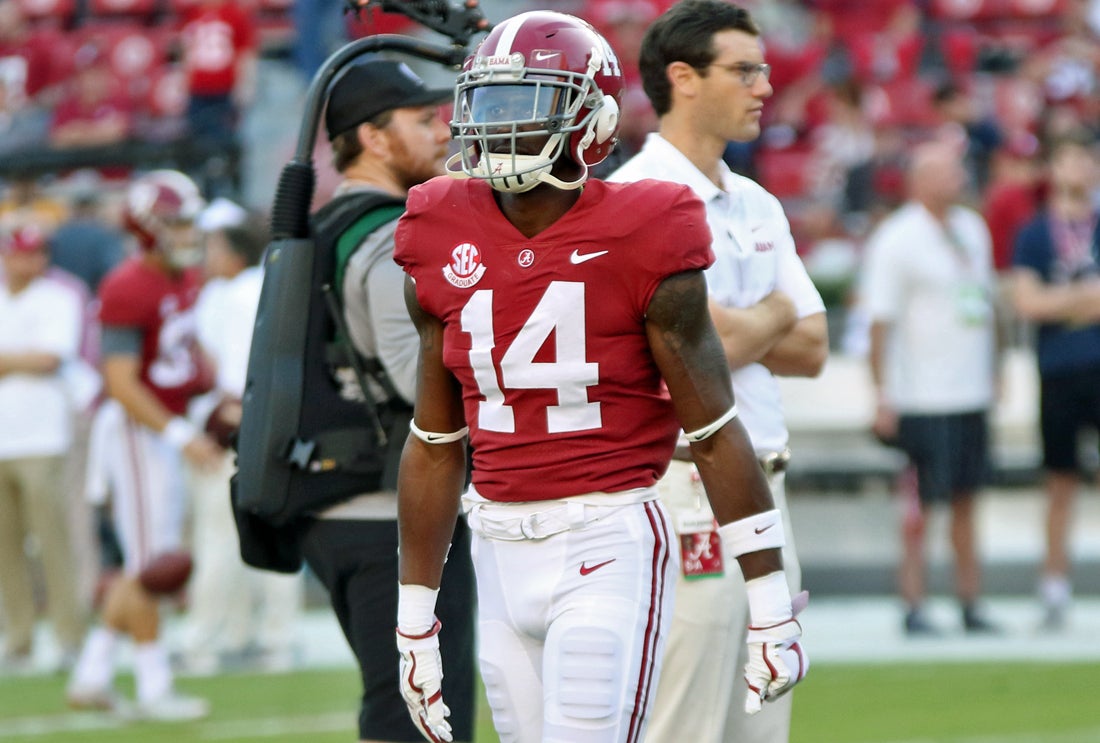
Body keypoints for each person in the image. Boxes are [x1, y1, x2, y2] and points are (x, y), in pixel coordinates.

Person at [391, 11, 808, 743]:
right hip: (493, 538)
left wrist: (770, 598)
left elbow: (712, 429)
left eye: (529, 103)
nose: (500, 126)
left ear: (592, 118)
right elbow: (433, 437)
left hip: (606, 532)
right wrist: (414, 613)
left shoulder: (647, 223)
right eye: (490, 103)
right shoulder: (436, 224)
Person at [606, 3, 827, 742]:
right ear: (683, 79)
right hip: (685, 484)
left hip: (769, 477)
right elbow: (706, 345)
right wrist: (765, 316)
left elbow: (815, 346)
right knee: (684, 716)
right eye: (743, 70)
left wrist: (738, 324)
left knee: (763, 716)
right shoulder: (637, 196)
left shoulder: (755, 199)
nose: (765, 85)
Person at [298, 58, 477, 743]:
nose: (442, 134)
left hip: (340, 500)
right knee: (423, 716)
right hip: (391, 510)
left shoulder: (324, 226)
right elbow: (419, 383)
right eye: (421, 120)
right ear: (372, 137)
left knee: (406, 707)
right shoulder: (384, 237)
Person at [66, 169, 222, 720]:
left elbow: (182, 355)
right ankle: (155, 686)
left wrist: (210, 396)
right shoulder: (127, 284)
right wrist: (181, 435)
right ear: (148, 226)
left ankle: (92, 673)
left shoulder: (180, 277)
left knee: (149, 562)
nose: (187, 232)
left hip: (162, 428)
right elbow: (121, 382)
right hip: (137, 431)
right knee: (152, 563)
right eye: (176, 222)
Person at [864, 139, 1000, 636]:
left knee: (968, 499)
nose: (958, 178)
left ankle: (970, 600)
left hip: (968, 391)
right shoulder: (897, 239)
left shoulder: (972, 229)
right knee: (920, 506)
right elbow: (880, 322)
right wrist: (883, 393)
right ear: (919, 180)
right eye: (946, 171)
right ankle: (914, 601)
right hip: (922, 395)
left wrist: (995, 371)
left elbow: (986, 305)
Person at [179, 201, 304, 674]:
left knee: (218, 535)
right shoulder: (275, 281)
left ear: (235, 249)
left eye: (214, 245)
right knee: (274, 528)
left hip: (238, 421)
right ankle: (274, 638)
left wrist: (219, 422)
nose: (208, 254)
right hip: (280, 420)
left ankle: (206, 640)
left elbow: (232, 377)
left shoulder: (231, 294)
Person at [1009, 133, 1100, 630]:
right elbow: (1027, 302)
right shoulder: (1035, 233)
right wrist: (1084, 299)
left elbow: (1046, 300)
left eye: (1087, 159)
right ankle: (1054, 584)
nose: (1079, 168)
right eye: (1069, 158)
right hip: (1059, 371)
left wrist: (1059, 301)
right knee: (1059, 481)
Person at [0, 224, 88, 672]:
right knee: (5, 546)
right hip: (4, 435)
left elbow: (51, 357)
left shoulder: (58, 297)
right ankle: (17, 638)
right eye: (18, 254)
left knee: (52, 540)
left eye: (34, 254)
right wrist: (20, 359)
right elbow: (31, 358)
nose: (27, 263)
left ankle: (69, 635)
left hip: (42, 436)